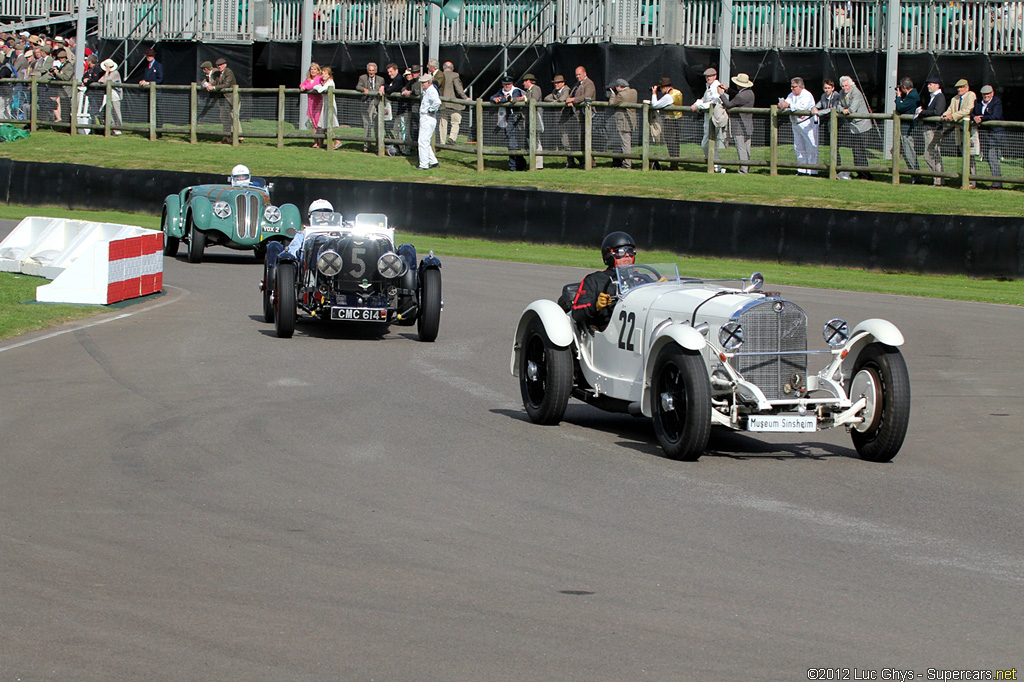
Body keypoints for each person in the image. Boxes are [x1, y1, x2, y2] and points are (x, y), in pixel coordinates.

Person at [570, 231, 636, 332]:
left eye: (630, 251)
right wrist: (596, 306)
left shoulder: (641, 278)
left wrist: (659, 286)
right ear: (609, 255)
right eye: (621, 251)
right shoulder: (594, 280)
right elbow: (577, 313)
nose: (627, 255)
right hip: (608, 331)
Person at [941, 78, 978, 187]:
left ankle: (971, 182)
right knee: (964, 155)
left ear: (967, 87)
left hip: (969, 131)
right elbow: (950, 110)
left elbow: (968, 109)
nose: (959, 89)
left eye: (961, 87)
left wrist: (953, 116)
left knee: (970, 156)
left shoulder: (971, 95)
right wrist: (944, 115)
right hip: (959, 131)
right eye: (958, 87)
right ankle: (966, 180)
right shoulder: (955, 98)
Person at [778, 76, 818, 175]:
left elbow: (800, 108)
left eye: (794, 87)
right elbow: (787, 102)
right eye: (791, 86)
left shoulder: (807, 95)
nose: (792, 88)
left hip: (807, 124)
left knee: (811, 146)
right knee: (798, 146)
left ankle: (812, 170)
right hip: (795, 123)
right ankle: (801, 169)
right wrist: (782, 104)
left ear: (800, 86)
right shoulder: (791, 94)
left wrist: (788, 105)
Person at [839, 75, 873, 180]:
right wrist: (842, 110)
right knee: (855, 151)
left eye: (846, 85)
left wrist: (845, 110)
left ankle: (866, 175)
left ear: (851, 85)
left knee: (860, 151)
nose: (844, 88)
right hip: (852, 126)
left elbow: (852, 109)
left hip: (862, 126)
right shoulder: (841, 93)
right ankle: (861, 173)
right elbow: (838, 105)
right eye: (843, 86)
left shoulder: (856, 93)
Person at [691, 67, 725, 170]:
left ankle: (715, 166)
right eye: (706, 76)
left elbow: (714, 102)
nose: (708, 78)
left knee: (706, 144)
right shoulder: (709, 87)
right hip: (708, 119)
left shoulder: (716, 87)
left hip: (714, 119)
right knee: (708, 144)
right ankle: (716, 166)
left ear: (715, 76)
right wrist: (696, 104)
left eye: (710, 76)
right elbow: (703, 99)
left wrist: (699, 107)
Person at [811, 78, 847, 177]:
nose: (826, 90)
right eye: (825, 88)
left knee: (836, 147)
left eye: (828, 88)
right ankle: (834, 169)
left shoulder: (837, 96)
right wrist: (814, 108)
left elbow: (833, 109)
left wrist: (819, 112)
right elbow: (817, 105)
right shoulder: (823, 96)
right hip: (830, 126)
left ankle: (838, 169)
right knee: (832, 147)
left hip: (839, 126)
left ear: (833, 88)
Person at [491, 75, 527, 171]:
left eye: (509, 84)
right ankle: (518, 164)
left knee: (514, 143)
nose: (507, 86)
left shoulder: (516, 91)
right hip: (507, 118)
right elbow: (493, 97)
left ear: (512, 84)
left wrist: (501, 99)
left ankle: (514, 166)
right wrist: (495, 99)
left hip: (516, 118)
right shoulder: (501, 91)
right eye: (505, 84)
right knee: (511, 142)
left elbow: (512, 99)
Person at [972, 84, 1004, 189]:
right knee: (988, 157)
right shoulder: (977, 102)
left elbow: (996, 116)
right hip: (984, 134)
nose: (986, 96)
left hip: (994, 134)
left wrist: (982, 119)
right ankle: (996, 181)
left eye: (988, 94)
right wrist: (975, 117)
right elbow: (972, 113)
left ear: (992, 93)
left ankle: (997, 183)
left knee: (992, 157)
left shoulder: (997, 102)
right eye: (984, 94)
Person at [916, 77, 946, 185]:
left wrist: (922, 112)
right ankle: (938, 179)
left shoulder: (940, 97)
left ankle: (938, 178)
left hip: (934, 130)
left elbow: (937, 111)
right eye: (928, 84)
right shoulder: (933, 97)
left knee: (929, 154)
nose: (929, 86)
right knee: (932, 154)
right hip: (930, 129)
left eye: (931, 84)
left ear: (937, 85)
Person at [723, 72, 754, 173]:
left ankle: (743, 169)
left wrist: (721, 94)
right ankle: (747, 166)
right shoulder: (750, 93)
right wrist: (727, 89)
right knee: (747, 146)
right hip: (748, 124)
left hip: (739, 125)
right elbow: (737, 96)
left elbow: (729, 104)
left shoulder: (741, 96)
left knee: (741, 147)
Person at [565, 65, 596, 168]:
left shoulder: (589, 83)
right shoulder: (577, 84)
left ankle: (590, 163)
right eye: (576, 75)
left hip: (586, 115)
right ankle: (582, 161)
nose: (578, 76)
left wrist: (573, 100)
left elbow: (587, 96)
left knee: (584, 139)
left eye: (579, 74)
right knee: (577, 139)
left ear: (585, 74)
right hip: (576, 116)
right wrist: (570, 100)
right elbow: (571, 95)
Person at [650, 77, 683, 170]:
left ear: (663, 87)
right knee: (675, 143)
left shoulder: (669, 96)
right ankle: (675, 164)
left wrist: (654, 94)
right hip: (679, 119)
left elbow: (655, 104)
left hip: (671, 121)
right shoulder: (678, 92)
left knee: (671, 142)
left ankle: (673, 165)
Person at [894, 77, 921, 181]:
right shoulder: (911, 95)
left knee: (909, 152)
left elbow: (900, 108)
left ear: (904, 87)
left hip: (908, 128)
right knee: (907, 152)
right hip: (906, 128)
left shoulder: (912, 96)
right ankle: (915, 175)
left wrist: (899, 97)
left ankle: (916, 176)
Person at [205, 57, 238, 143]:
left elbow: (226, 84)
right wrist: (207, 85)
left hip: (231, 98)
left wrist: (214, 87)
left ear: (225, 65)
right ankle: (226, 138)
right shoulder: (217, 74)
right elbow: (213, 82)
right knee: (224, 118)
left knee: (233, 117)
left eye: (221, 65)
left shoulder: (228, 72)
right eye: (218, 65)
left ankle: (237, 137)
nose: (219, 66)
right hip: (223, 99)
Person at [543, 75, 572, 167]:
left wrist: (556, 101)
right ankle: (571, 162)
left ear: (563, 83)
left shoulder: (566, 89)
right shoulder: (555, 91)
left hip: (568, 120)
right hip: (561, 121)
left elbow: (563, 99)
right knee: (565, 142)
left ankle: (574, 161)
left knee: (568, 142)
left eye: (558, 83)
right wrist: (555, 101)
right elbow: (546, 98)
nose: (556, 84)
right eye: (555, 83)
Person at [607, 78, 637, 169]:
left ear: (619, 87)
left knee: (625, 143)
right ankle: (624, 161)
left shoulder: (621, 95)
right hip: (631, 121)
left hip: (623, 122)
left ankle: (627, 164)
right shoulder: (634, 92)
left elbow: (611, 104)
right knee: (626, 142)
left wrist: (612, 94)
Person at [438, 61, 468, 145]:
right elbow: (458, 89)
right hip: (454, 104)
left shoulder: (439, 75)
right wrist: (465, 98)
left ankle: (442, 142)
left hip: (442, 103)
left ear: (443, 68)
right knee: (455, 122)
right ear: (452, 68)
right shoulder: (455, 75)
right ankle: (452, 138)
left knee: (443, 123)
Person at [356, 62, 383, 152]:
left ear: (376, 71)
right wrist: (364, 89)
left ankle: (377, 145)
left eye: (373, 70)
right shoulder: (362, 78)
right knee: (367, 124)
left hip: (377, 104)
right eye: (370, 70)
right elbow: (358, 86)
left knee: (376, 125)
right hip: (366, 104)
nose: (371, 72)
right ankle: (367, 144)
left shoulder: (380, 79)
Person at [382, 63, 407, 155]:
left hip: (401, 109)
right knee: (396, 129)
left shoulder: (398, 79)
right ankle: (400, 149)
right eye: (388, 72)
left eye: (391, 71)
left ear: (396, 70)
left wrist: (384, 86)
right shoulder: (395, 79)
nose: (389, 74)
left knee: (401, 130)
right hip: (397, 109)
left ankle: (404, 150)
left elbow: (389, 91)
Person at [417, 72, 440, 170]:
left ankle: (424, 164)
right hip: (425, 117)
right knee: (425, 141)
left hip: (427, 117)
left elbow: (437, 102)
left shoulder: (431, 91)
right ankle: (433, 161)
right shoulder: (427, 90)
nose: (422, 84)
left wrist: (430, 110)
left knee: (422, 141)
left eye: (424, 82)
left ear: (429, 82)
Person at [314, 66, 341, 150]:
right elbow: (316, 87)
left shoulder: (330, 82)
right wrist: (318, 87)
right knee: (324, 125)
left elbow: (320, 90)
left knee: (328, 124)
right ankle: (332, 143)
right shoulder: (324, 82)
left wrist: (318, 87)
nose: (323, 75)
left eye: (325, 73)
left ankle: (337, 141)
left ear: (329, 75)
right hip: (325, 105)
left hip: (330, 105)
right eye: (322, 73)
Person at [521, 73, 544, 169]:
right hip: (529, 119)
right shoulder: (528, 91)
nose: (523, 84)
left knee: (536, 140)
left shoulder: (536, 89)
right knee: (530, 140)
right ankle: (533, 162)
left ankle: (538, 165)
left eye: (524, 82)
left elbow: (534, 99)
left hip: (536, 118)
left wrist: (524, 99)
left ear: (528, 81)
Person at [300, 62, 324, 148]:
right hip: (311, 104)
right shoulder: (308, 79)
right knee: (312, 123)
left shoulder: (320, 78)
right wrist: (303, 86)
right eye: (311, 69)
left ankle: (321, 143)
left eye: (315, 69)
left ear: (318, 71)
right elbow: (302, 85)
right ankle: (315, 142)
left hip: (318, 104)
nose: (313, 71)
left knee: (319, 124)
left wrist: (306, 87)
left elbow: (314, 86)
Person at [98, 58, 123, 132]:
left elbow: (106, 81)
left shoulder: (115, 73)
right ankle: (112, 127)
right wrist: (106, 73)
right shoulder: (107, 73)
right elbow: (100, 80)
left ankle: (119, 128)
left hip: (115, 95)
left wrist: (107, 72)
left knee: (116, 111)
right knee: (108, 111)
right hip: (108, 95)